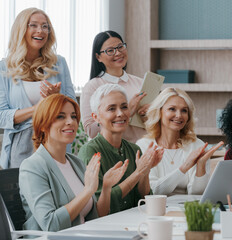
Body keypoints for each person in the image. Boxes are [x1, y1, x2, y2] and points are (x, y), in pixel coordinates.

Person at [19, 94, 128, 231]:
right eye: (61, 116)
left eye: (74, 116)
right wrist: (88, 191)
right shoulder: (32, 167)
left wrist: (106, 187)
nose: (71, 121)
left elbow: (96, 216)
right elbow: (51, 225)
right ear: (42, 125)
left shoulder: (75, 162)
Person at [0, 8, 76, 169]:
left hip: (55, 142)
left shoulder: (59, 63)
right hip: (21, 146)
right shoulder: (3, 68)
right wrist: (39, 107)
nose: (40, 31)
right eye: (33, 25)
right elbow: (1, 116)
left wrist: (56, 102)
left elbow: (73, 108)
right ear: (21, 30)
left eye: (45, 26)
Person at [78, 84, 164, 213]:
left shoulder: (134, 149)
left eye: (124, 107)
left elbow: (143, 198)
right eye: (111, 109)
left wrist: (145, 171)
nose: (120, 113)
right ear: (96, 117)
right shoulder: (90, 152)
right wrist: (138, 173)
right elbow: (98, 207)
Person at [136, 87, 224, 196]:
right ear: (159, 112)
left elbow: (198, 194)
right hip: (156, 209)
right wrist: (184, 167)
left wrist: (200, 166)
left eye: (184, 110)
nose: (179, 115)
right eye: (172, 109)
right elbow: (152, 191)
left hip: (186, 210)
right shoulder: (144, 146)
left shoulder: (197, 146)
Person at [80, 30, 148, 143]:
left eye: (120, 47)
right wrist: (128, 110)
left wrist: (151, 114)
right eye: (110, 51)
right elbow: (90, 131)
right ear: (98, 57)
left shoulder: (140, 83)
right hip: (113, 152)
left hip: (144, 148)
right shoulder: (92, 86)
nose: (118, 53)